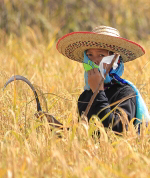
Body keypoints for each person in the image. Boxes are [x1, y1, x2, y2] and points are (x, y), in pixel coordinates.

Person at [56, 26, 150, 133]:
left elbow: (118, 131)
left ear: (115, 60)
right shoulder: (85, 95)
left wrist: (98, 91)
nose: (94, 61)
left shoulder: (125, 93)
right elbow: (85, 134)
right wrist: (58, 128)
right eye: (89, 55)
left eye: (101, 55)